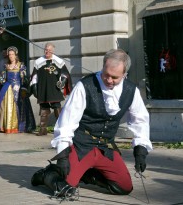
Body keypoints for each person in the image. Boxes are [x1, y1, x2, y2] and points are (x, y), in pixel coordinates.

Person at [31, 49, 153, 200]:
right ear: (103, 66)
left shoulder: (131, 90)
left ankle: (86, 174)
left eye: (115, 77)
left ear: (124, 74)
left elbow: (140, 119)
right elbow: (67, 121)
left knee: (124, 186)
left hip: (104, 148)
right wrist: (63, 156)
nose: (109, 80)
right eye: (106, 74)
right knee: (66, 186)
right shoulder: (85, 86)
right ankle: (47, 174)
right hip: (81, 145)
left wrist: (140, 150)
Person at [30, 42, 72, 136]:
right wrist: (34, 87)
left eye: (49, 50)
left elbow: (65, 73)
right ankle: (43, 129)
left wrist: (63, 81)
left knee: (57, 107)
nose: (47, 52)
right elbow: (34, 76)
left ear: (53, 51)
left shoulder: (59, 61)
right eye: (46, 49)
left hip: (54, 89)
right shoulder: (38, 62)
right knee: (44, 108)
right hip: (43, 88)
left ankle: (62, 128)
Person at [0, 46, 36, 133]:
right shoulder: (6, 66)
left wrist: (23, 88)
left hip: (18, 88)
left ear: (15, 55)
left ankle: (19, 126)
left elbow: (24, 78)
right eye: (9, 54)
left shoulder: (21, 66)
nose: (11, 56)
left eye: (12, 54)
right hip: (7, 87)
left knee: (19, 106)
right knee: (2, 106)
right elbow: (3, 78)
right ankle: (4, 126)